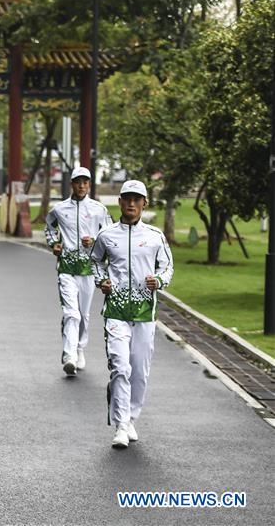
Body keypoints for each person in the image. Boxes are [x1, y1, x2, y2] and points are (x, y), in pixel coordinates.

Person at [90, 180, 173, 449]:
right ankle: (121, 424)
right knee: (120, 366)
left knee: (139, 370)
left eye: (137, 199)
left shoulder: (154, 236)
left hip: (144, 313)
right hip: (115, 311)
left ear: (144, 203)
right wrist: (101, 280)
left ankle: (131, 417)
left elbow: (168, 267)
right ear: (120, 201)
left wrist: (159, 281)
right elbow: (95, 261)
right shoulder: (107, 235)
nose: (131, 204)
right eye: (127, 198)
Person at [44, 167, 112, 375]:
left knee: (83, 314)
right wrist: (54, 243)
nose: (81, 186)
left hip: (88, 270)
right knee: (71, 313)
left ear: (89, 185)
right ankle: (69, 354)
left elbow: (110, 234)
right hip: (67, 268)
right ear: (71, 184)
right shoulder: (59, 209)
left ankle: (80, 348)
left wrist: (94, 241)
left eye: (85, 182)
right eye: (78, 182)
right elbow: (49, 226)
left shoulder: (99, 209)